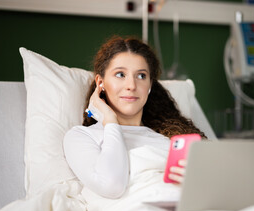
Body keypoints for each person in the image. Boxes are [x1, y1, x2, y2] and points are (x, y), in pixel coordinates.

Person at [63, 35, 206, 200]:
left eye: (141, 76)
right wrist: (110, 120)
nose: (131, 86)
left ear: (150, 86)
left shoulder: (170, 141)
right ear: (100, 83)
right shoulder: (81, 137)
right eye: (120, 74)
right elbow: (112, 185)